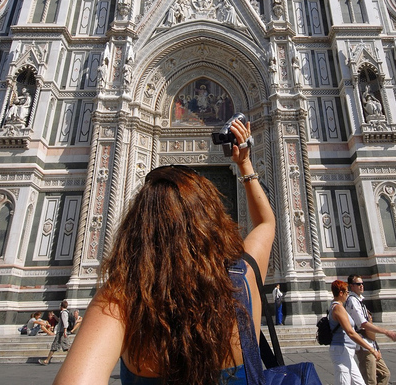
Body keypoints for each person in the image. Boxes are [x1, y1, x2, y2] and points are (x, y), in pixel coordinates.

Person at [51, 118, 276, 385]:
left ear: (138, 228)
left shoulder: (121, 300)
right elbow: (266, 222)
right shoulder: (245, 277)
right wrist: (244, 164)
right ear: (213, 221)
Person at [345, 275, 396, 385]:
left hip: (371, 344)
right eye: (358, 284)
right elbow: (363, 324)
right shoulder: (352, 301)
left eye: (362, 283)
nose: (361, 286)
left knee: (385, 374)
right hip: (364, 347)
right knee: (370, 381)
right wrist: (386, 332)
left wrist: (376, 347)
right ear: (351, 286)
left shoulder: (361, 302)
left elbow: (368, 324)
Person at [329, 280, 383, 385]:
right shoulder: (338, 308)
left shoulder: (339, 307)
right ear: (341, 293)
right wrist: (371, 348)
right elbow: (351, 332)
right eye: (346, 292)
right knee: (343, 383)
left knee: (359, 383)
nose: (347, 295)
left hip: (347, 351)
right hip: (341, 350)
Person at [39, 301, 71, 365]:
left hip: (61, 333)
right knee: (63, 346)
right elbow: (60, 321)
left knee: (57, 346)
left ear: (61, 306)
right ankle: (47, 360)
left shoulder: (64, 313)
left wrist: (65, 331)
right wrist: (55, 316)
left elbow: (65, 323)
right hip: (61, 332)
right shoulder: (63, 313)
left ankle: (47, 360)